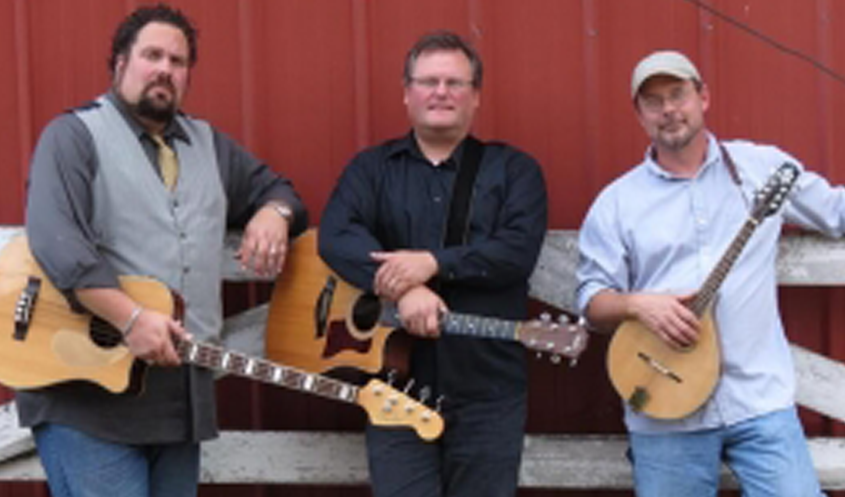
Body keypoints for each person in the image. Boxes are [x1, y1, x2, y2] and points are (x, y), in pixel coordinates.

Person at [20, 4, 307, 497]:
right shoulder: (72, 136)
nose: (164, 70)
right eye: (152, 55)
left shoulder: (209, 145)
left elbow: (282, 193)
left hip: (177, 403)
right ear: (120, 63)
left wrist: (273, 213)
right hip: (87, 396)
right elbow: (58, 243)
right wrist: (131, 318)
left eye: (177, 61)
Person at [577, 49, 832, 496]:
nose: (668, 109)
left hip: (758, 403)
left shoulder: (762, 169)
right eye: (653, 101)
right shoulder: (618, 203)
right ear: (639, 114)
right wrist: (638, 305)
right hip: (664, 406)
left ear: (703, 97)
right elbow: (592, 303)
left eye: (678, 94)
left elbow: (835, 211)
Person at [319, 31, 547, 497]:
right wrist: (405, 289)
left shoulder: (515, 171)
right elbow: (336, 236)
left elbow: (516, 251)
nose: (441, 92)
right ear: (407, 93)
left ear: (475, 96)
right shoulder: (371, 170)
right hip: (393, 387)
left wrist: (433, 263)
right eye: (428, 81)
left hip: (488, 390)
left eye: (454, 82)